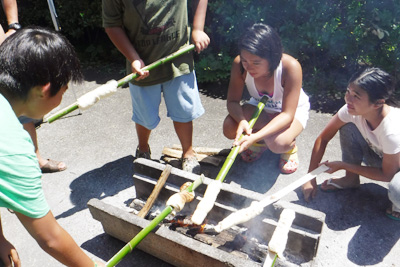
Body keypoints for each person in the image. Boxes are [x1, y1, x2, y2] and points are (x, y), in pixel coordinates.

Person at [0, 27, 104, 266]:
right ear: (43, 91)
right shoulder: (13, 148)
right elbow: (51, 238)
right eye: (64, 90)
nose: (63, 96)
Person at [102, 0, 210, 174]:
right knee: (145, 115)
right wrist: (134, 58)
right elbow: (112, 25)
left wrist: (197, 29)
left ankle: (188, 153)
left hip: (178, 58)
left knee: (183, 110)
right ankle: (143, 150)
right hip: (141, 65)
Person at [302, 68, 400, 221]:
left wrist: (343, 165)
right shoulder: (351, 110)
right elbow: (323, 139)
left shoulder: (392, 130)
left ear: (378, 103)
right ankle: (350, 180)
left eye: (356, 96)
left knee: (397, 191)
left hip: (394, 169)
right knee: (348, 126)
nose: (348, 99)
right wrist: (310, 177)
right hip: (383, 157)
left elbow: (386, 175)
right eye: (348, 91)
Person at [223, 23, 310, 174]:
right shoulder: (240, 65)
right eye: (245, 60)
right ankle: (260, 143)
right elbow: (232, 102)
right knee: (230, 127)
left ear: (273, 58)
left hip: (291, 111)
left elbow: (287, 115)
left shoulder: (290, 67)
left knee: (278, 143)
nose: (249, 67)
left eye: (256, 62)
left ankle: (289, 147)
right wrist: (243, 121)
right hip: (259, 106)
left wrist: (254, 136)